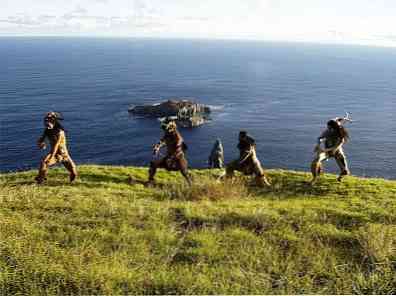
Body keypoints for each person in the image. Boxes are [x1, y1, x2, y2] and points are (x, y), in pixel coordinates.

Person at [35, 112, 77, 184]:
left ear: (54, 120)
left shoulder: (60, 132)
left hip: (64, 154)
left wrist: (51, 157)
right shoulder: (47, 130)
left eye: (48, 120)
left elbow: (56, 145)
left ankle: (71, 184)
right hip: (55, 153)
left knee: (74, 173)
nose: (46, 121)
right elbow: (41, 140)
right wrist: (40, 143)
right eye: (46, 120)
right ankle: (40, 180)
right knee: (44, 163)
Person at [148, 118, 192, 185]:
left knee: (185, 173)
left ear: (171, 127)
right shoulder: (167, 134)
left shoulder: (176, 135)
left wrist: (178, 145)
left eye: (165, 128)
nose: (164, 129)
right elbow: (162, 141)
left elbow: (180, 140)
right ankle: (151, 180)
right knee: (153, 164)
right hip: (169, 158)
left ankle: (191, 185)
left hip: (178, 159)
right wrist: (157, 147)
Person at [310, 116, 351, 183]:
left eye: (329, 127)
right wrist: (318, 144)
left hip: (337, 152)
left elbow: (338, 145)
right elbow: (319, 138)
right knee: (315, 162)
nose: (327, 128)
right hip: (327, 151)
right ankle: (314, 179)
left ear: (334, 128)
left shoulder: (340, 133)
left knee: (345, 171)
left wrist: (325, 150)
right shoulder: (327, 131)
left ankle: (340, 178)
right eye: (328, 127)